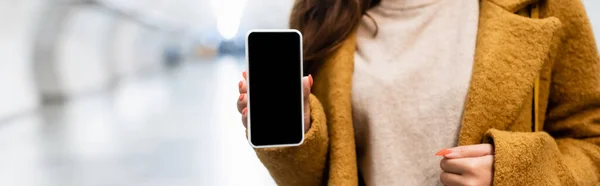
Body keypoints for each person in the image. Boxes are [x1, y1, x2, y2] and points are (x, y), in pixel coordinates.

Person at [236, 0, 600, 185]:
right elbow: (327, 176)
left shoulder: (543, 5)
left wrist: (516, 172)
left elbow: (592, 140)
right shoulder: (323, 13)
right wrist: (301, 131)